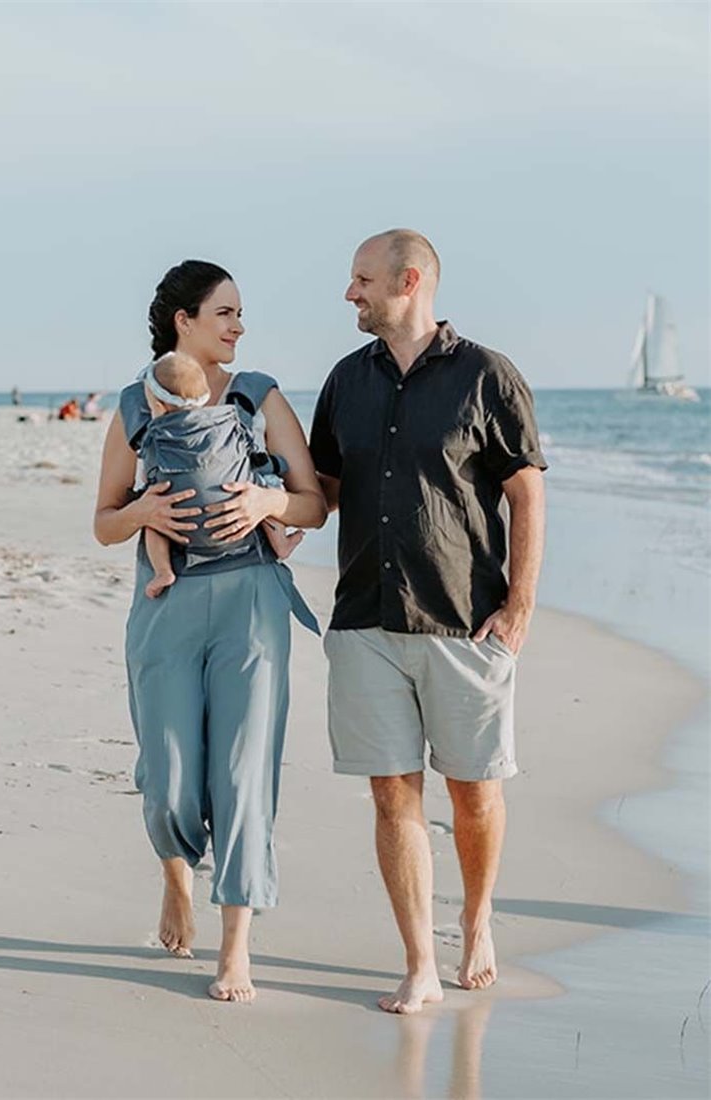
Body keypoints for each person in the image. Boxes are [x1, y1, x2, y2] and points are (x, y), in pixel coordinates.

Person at [309, 229, 547, 1014]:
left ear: (408, 281)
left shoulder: (487, 376)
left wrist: (519, 605)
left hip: (464, 622)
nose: (350, 293)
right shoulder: (346, 379)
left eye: (361, 279)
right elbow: (324, 488)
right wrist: (268, 516)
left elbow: (525, 493)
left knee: (474, 796)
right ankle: (417, 961)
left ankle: (476, 924)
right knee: (391, 795)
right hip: (365, 620)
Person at [94, 260, 327, 1003]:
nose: (238, 326)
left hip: (252, 604)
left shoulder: (260, 397)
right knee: (166, 779)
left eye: (239, 313)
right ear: (181, 321)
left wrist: (266, 502)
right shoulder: (135, 404)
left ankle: (237, 949)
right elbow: (103, 522)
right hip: (165, 606)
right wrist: (143, 515)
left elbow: (314, 503)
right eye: (224, 312)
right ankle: (175, 876)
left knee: (242, 775)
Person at [138, 350, 304, 598]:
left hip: (181, 527)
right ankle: (280, 543)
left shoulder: (153, 438)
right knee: (266, 485)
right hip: (233, 521)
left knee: (152, 524)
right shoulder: (227, 422)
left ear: (158, 405)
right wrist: (276, 465)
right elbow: (252, 459)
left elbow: (147, 477)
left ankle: (163, 570)